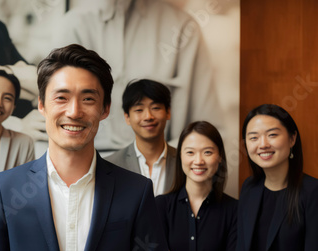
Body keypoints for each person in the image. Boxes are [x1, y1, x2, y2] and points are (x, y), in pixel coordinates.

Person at [0, 44, 170, 251]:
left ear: (105, 109)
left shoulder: (136, 192)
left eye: (87, 99)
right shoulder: (6, 189)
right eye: (61, 98)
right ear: (42, 105)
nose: (74, 112)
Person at [53, 0, 223, 150]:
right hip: (87, 170)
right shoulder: (73, 26)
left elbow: (207, 131)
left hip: (160, 174)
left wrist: (162, 167)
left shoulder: (182, 27)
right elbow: (53, 118)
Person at [232, 104, 318, 251]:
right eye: (253, 137)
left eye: (272, 135)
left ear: (292, 138)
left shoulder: (312, 192)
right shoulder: (249, 188)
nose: (263, 144)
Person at [155, 121, 237, 251]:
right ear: (180, 157)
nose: (198, 161)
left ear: (219, 156)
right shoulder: (160, 206)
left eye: (207, 152)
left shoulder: (235, 210)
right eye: (190, 152)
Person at [106, 79, 177, 196]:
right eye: (139, 110)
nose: (148, 116)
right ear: (127, 117)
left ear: (168, 112)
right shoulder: (110, 165)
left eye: (156, 108)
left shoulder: (185, 162)